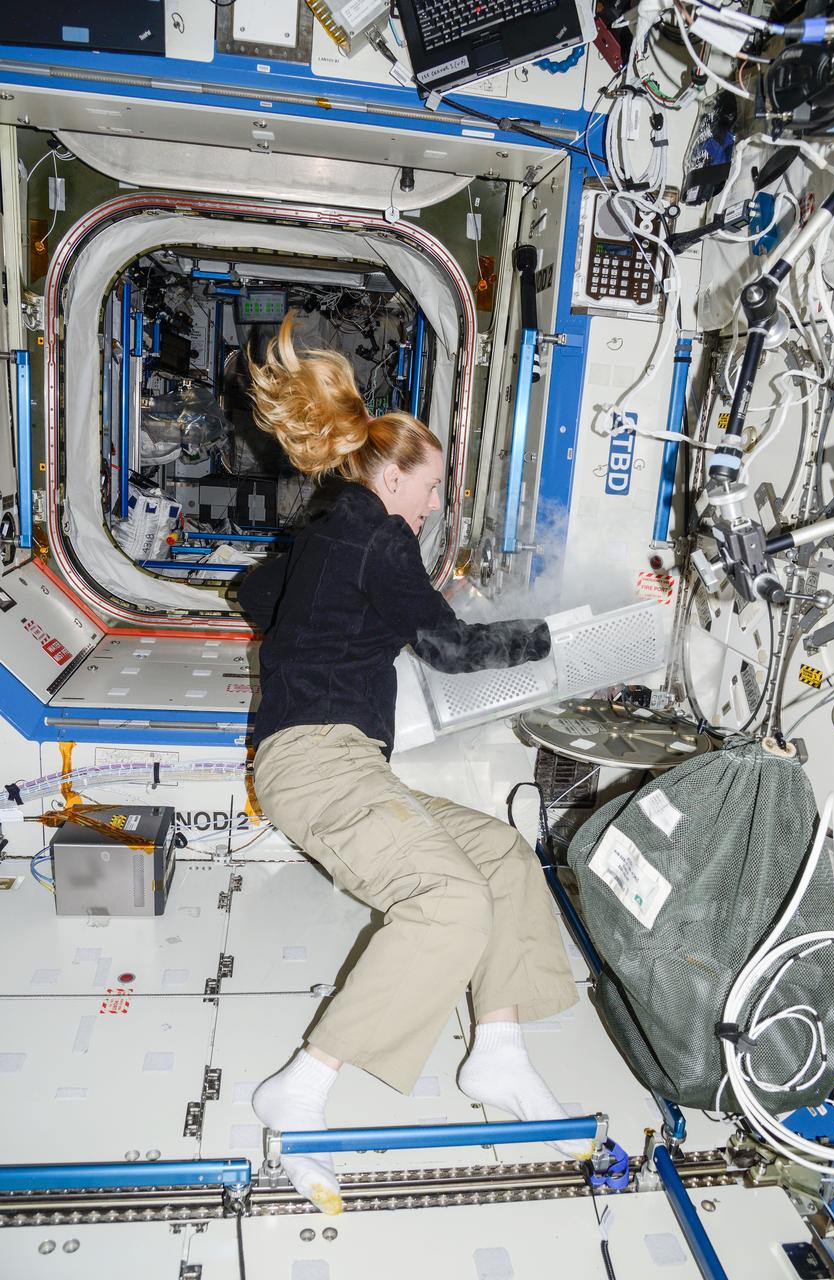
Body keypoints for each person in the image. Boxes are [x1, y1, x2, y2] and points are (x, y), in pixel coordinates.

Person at [237, 314, 584, 1215]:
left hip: (333, 757)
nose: (430, 509)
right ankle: (301, 1087)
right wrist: (559, 639)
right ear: (391, 476)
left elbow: (259, 592)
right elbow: (453, 651)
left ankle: (497, 1053)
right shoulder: (375, 532)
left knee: (503, 858)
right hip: (319, 763)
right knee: (449, 903)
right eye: (427, 491)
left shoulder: (329, 530)